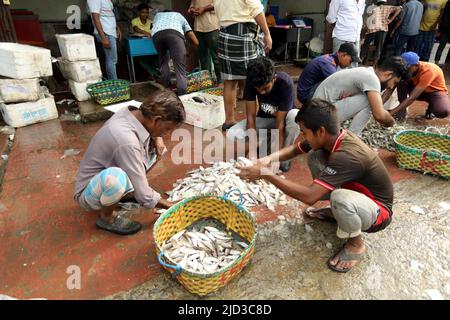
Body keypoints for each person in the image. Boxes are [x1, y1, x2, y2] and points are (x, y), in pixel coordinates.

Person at [237, 99, 394, 273]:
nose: (303, 136)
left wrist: (266, 174)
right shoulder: (331, 137)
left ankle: (356, 244)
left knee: (339, 198)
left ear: (320, 131)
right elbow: (295, 150)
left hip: (379, 212)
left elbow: (309, 196)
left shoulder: (346, 155)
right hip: (356, 193)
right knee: (314, 155)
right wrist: (266, 159)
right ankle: (337, 212)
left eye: (304, 133)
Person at [74, 90, 185, 235]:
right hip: (89, 192)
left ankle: (127, 193)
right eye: (168, 129)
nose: (168, 134)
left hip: (109, 169)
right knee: (116, 179)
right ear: (156, 120)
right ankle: (107, 217)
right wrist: (170, 205)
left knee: (158, 149)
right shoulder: (126, 140)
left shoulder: (136, 112)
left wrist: (157, 137)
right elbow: (144, 195)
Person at [226, 57, 299, 172]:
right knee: (232, 133)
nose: (262, 92)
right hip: (265, 119)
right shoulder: (251, 82)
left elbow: (280, 124)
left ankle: (284, 157)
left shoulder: (285, 83)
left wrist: (276, 157)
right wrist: (252, 148)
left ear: (274, 78)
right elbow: (251, 116)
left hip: (284, 120)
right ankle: (263, 145)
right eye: (258, 89)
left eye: (265, 88)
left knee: (295, 117)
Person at [212, 0, 273, 131]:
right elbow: (256, 9)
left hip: (224, 34)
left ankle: (229, 120)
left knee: (229, 81)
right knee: (251, 80)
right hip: (243, 34)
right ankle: (253, 121)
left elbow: (217, 11)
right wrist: (267, 34)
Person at [313, 56, 410, 135]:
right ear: (388, 74)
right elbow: (379, 115)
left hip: (318, 112)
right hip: (320, 116)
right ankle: (351, 139)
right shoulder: (371, 79)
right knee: (370, 101)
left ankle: (350, 137)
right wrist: (391, 122)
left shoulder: (367, 71)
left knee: (370, 100)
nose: (391, 86)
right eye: (394, 82)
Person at [152, 10, 199, 96]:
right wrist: (197, 43)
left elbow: (153, 27)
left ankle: (167, 90)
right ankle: (183, 96)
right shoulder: (178, 14)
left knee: (163, 63)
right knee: (180, 68)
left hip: (157, 35)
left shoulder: (157, 15)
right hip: (174, 35)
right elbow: (189, 32)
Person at [390, 51, 450, 119]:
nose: (405, 70)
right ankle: (402, 109)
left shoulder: (428, 70)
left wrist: (391, 113)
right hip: (418, 89)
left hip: (434, 92)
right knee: (401, 81)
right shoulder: (408, 70)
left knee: (443, 111)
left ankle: (431, 107)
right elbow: (389, 90)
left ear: (416, 65)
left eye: (407, 68)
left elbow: (412, 97)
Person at [360, 0, 402, 67]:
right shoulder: (388, 7)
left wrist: (364, 31)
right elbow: (400, 8)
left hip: (372, 29)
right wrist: (391, 19)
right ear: (385, 2)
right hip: (382, 29)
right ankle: (374, 66)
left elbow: (367, 20)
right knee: (379, 48)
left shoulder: (372, 8)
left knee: (366, 45)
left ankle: (361, 62)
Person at [188, 0, 221, 84]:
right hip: (198, 27)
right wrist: (191, 10)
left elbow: (218, 4)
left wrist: (204, 9)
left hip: (212, 26)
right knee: (203, 57)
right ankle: (207, 82)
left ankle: (221, 81)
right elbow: (192, 6)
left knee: (216, 56)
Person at [87, 0, 122, 80]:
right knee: (111, 60)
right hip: (106, 33)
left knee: (112, 59)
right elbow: (95, 17)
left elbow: (110, 15)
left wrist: (117, 28)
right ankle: (114, 84)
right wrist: (103, 37)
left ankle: (113, 82)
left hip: (110, 32)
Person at [326, 0, 366, 68]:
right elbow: (331, 18)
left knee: (353, 67)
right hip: (341, 37)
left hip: (356, 38)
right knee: (338, 67)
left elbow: (359, 15)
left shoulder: (362, 0)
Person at [432, 0, 450, 66]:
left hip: (445, 27)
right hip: (446, 28)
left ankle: (436, 62)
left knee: (441, 46)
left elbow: (443, 15)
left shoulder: (448, 2)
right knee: (441, 46)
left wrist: (440, 27)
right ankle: (440, 62)